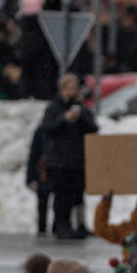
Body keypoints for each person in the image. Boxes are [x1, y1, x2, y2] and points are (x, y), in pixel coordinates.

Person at [41, 74, 99, 238]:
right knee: (62, 196)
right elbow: (47, 128)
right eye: (68, 88)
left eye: (74, 88)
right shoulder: (54, 107)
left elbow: (94, 128)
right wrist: (64, 119)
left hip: (78, 160)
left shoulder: (81, 108)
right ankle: (61, 225)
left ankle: (78, 224)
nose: (71, 92)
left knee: (77, 195)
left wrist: (80, 117)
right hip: (59, 161)